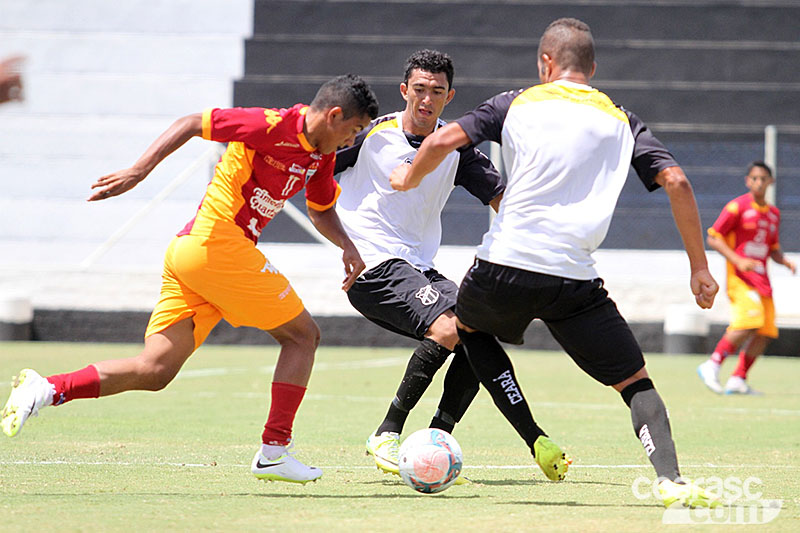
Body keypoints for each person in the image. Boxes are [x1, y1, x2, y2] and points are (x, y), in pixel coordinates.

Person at [390, 18, 721, 508]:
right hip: (574, 278)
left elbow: (440, 142)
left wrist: (406, 179)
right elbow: (677, 183)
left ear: (547, 63)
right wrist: (699, 267)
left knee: (470, 328)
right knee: (635, 382)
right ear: (592, 67)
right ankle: (671, 480)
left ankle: (522, 434)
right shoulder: (622, 118)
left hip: (503, 265)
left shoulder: (516, 102)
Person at [1, 74, 379, 485]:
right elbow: (191, 123)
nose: (351, 142)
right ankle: (274, 450)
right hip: (216, 244)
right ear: (334, 115)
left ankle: (47, 388)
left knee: (155, 370)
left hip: (194, 253)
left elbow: (321, 209)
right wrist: (138, 171)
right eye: (353, 131)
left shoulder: (320, 156)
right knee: (304, 336)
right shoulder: (271, 124)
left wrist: (347, 246)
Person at [334, 50, 504, 477]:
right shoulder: (370, 135)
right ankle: (387, 432)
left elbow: (504, 200)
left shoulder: (455, 148)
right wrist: (342, 241)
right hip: (373, 264)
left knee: (481, 332)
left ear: (450, 97)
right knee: (448, 327)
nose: (426, 100)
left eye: (438, 92)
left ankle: (436, 438)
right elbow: (315, 168)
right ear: (404, 90)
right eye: (420, 90)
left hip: (417, 266)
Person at [697, 161, 796, 395]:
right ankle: (712, 364)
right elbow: (714, 237)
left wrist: (785, 261)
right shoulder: (736, 207)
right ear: (747, 181)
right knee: (750, 321)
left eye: (763, 179)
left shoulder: (773, 214)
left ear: (771, 182)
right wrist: (738, 260)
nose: (759, 183)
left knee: (766, 331)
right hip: (740, 277)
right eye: (754, 178)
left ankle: (738, 379)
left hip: (762, 280)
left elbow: (772, 249)